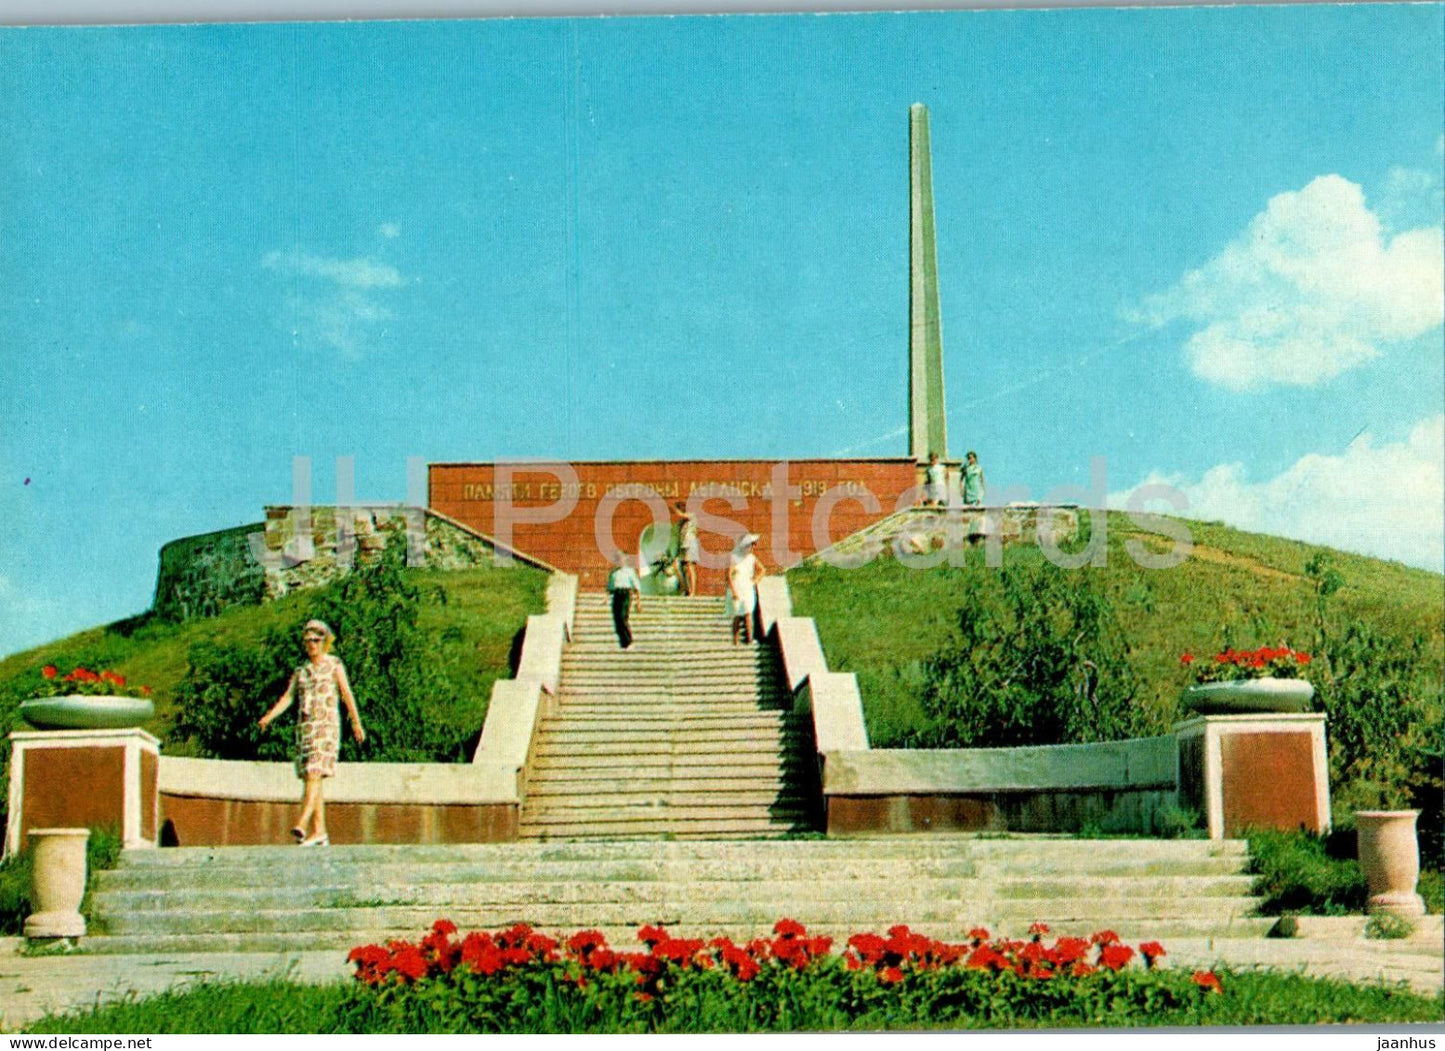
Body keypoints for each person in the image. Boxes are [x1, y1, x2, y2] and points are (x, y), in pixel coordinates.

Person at [257, 619, 365, 847]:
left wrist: (356, 723)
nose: (312, 645)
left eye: (316, 640)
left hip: (326, 728)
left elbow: (347, 694)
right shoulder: (301, 671)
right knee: (311, 778)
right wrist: (269, 716)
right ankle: (320, 833)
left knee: (315, 774)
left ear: (324, 642)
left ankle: (302, 823)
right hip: (305, 729)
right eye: (308, 641)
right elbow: (288, 697)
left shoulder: (334, 665)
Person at [726, 534, 765, 645]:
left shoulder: (752, 558)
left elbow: (762, 570)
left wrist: (755, 581)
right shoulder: (734, 558)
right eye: (750, 545)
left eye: (753, 545)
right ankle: (735, 641)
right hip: (737, 587)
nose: (752, 548)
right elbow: (728, 575)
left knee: (748, 613)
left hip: (747, 587)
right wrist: (733, 591)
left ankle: (749, 639)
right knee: (737, 615)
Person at [607, 554, 642, 649]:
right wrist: (606, 598)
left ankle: (629, 641)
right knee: (617, 620)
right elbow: (610, 587)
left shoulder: (630, 571)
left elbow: (637, 587)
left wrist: (638, 602)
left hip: (626, 594)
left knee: (623, 617)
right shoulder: (614, 573)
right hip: (616, 595)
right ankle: (624, 644)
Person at [673, 501, 700, 596]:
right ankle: (685, 588)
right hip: (682, 545)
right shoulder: (680, 522)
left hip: (690, 544)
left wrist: (673, 507)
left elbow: (680, 514)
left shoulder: (692, 515)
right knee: (679, 566)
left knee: (689, 566)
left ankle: (692, 591)